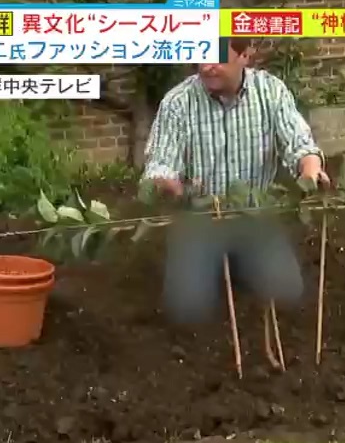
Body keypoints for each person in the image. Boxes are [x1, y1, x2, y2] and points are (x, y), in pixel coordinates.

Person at [140, 36, 330, 326]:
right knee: (187, 310)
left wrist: (310, 168)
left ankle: (240, 259)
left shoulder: (270, 92)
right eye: (201, 57)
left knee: (286, 292)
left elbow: (299, 144)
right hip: (199, 221)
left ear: (245, 55)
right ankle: (212, 261)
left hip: (255, 216)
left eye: (217, 58)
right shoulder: (178, 102)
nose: (206, 67)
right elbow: (161, 163)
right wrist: (165, 182)